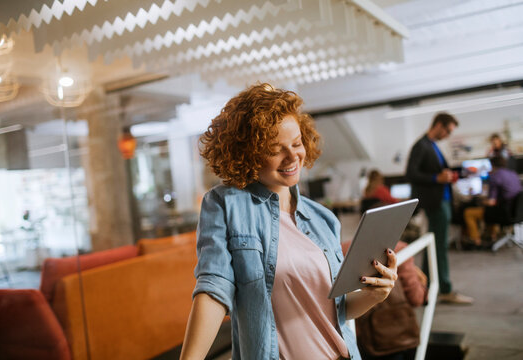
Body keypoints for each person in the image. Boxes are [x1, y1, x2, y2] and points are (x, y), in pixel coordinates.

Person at [180, 83, 398, 360]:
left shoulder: (323, 219)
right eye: (276, 149)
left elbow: (337, 310)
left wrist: (375, 295)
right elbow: (214, 290)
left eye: (297, 143)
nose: (293, 156)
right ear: (248, 153)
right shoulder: (225, 204)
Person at [405, 112, 473, 305]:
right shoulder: (421, 146)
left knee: (434, 246)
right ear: (439, 125)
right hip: (435, 203)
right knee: (439, 246)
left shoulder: (432, 146)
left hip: (442, 200)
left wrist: (446, 175)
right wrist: (437, 178)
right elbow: (411, 174)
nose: (448, 135)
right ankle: (444, 289)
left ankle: (426, 287)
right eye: (448, 130)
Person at [341, 240, 427, 360]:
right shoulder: (399, 249)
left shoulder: (342, 248)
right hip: (392, 336)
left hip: (356, 336)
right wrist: (423, 282)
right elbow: (416, 298)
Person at [464, 155, 522, 246]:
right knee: (492, 209)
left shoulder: (495, 176)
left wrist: (480, 201)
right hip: (517, 212)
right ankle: (492, 236)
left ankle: (476, 241)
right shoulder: (513, 174)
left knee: (469, 213)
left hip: (504, 213)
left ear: (492, 165)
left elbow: (491, 202)